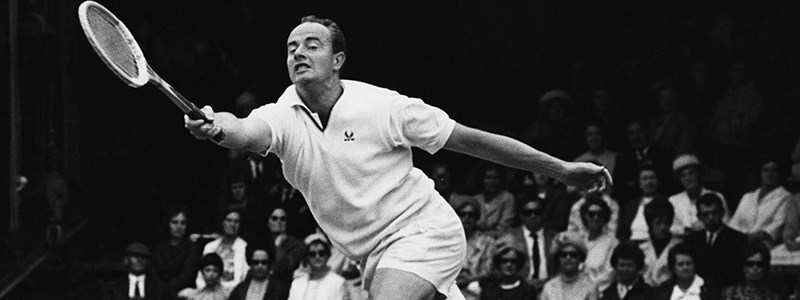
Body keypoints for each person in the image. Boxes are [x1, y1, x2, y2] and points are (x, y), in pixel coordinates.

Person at [184, 15, 611, 300]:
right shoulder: (281, 116)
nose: (298, 53)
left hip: (424, 232)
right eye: (292, 46)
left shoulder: (385, 107)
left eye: (311, 45)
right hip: (374, 256)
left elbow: (476, 142)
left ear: (337, 60)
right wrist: (215, 125)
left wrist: (560, 169)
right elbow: (240, 128)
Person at [493, 195, 558, 291]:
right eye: (528, 213)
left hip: (550, 288)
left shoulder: (555, 237)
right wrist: (524, 282)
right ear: (521, 215)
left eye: (537, 212)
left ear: (544, 214)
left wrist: (548, 282)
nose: (533, 216)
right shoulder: (509, 237)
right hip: (518, 289)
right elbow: (498, 268)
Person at [683, 194, 747, 289]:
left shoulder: (738, 239)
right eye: (706, 214)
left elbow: (737, 273)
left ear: (722, 213)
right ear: (699, 216)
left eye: (714, 213)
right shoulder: (691, 241)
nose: (711, 217)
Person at [729, 156, 791, 247]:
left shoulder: (786, 198)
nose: (769, 174)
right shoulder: (747, 197)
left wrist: (750, 238)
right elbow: (734, 222)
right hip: (737, 243)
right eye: (765, 170)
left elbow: (777, 225)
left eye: (774, 170)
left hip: (763, 246)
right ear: (760, 173)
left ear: (780, 173)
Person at [668, 154, 730, 237]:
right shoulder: (673, 200)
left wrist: (707, 225)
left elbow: (726, 222)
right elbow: (669, 226)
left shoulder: (717, 196)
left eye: (691, 173)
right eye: (683, 175)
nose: (688, 178)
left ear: (698, 174)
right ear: (679, 179)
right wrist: (686, 231)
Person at [453, 198, 496, 300]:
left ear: (476, 217)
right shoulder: (449, 240)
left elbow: (487, 271)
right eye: (462, 214)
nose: (466, 218)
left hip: (476, 287)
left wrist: (467, 280)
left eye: (471, 215)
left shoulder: (487, 242)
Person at [197, 207, 249, 289]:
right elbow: (200, 277)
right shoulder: (210, 247)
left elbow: (242, 279)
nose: (232, 224)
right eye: (229, 220)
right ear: (222, 222)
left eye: (236, 221)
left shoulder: (245, 247)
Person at [152, 207, 199, 297]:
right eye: (174, 222)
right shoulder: (159, 249)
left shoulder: (191, 248)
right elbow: (154, 274)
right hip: (160, 294)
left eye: (183, 223)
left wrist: (167, 288)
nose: (179, 227)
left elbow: (187, 275)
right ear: (168, 224)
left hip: (184, 293)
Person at [540, 231, 599, 300]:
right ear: (558, 259)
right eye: (563, 254)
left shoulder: (590, 288)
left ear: (580, 258)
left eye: (573, 254)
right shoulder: (549, 288)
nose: (568, 258)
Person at [577, 196, 619, 291]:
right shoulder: (578, 240)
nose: (596, 218)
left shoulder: (612, 242)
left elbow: (610, 273)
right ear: (585, 216)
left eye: (600, 214)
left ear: (605, 217)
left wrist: (586, 288)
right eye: (591, 214)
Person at [288, 234, 347, 300]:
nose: (317, 257)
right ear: (307, 257)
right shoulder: (297, 284)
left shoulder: (337, 282)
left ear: (328, 255)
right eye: (312, 254)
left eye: (321, 253)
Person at [617, 165, 666, 242]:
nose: (649, 182)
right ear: (640, 183)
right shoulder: (631, 206)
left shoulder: (665, 203)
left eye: (652, 178)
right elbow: (622, 232)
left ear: (658, 181)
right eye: (645, 179)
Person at [640, 200, 683, 287]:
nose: (663, 227)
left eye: (666, 222)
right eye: (658, 223)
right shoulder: (641, 248)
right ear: (650, 224)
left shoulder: (680, 246)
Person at [472, 163, 517, 234]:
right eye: (488, 177)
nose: (492, 181)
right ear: (481, 179)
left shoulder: (507, 198)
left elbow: (504, 225)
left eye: (495, 177)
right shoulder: (476, 199)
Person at [266, 205, 305, 286]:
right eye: (274, 218)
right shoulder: (262, 242)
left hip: (284, 286)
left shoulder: (297, 245)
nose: (279, 221)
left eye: (283, 219)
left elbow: (281, 269)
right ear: (268, 222)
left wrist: (278, 247)